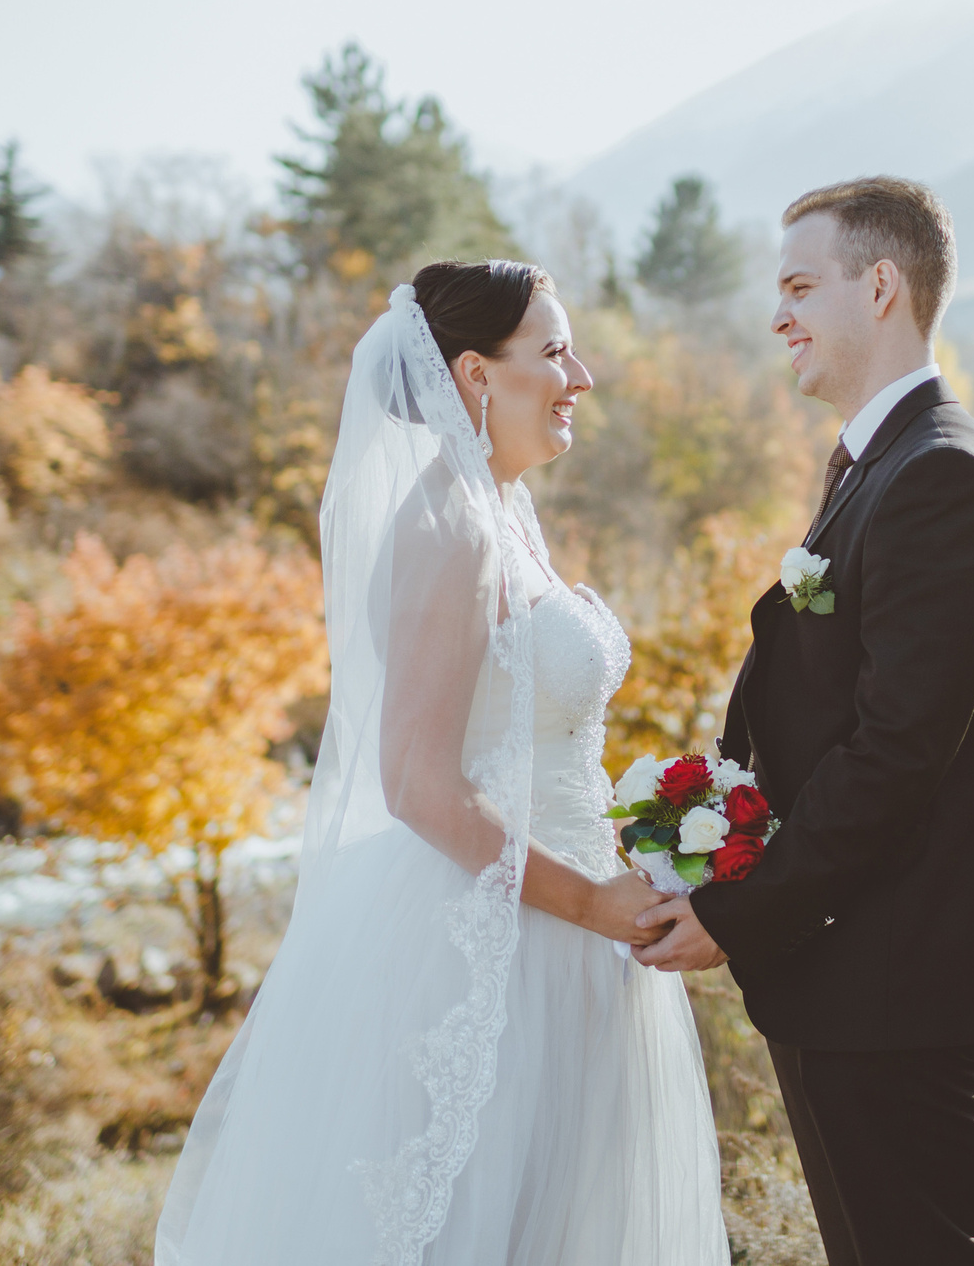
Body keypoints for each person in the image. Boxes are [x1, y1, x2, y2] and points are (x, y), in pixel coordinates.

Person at [156, 260, 727, 1266]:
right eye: (552, 352)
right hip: (502, 930)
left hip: (569, 912)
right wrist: (591, 904)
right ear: (473, 374)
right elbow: (418, 783)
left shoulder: (501, 507)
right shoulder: (446, 529)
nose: (580, 376)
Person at [635, 176, 974, 1266]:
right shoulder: (882, 466)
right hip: (852, 968)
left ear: (880, 286)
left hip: (894, 973)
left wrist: (743, 909)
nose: (778, 317)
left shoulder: (943, 475)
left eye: (799, 287)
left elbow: (896, 753)